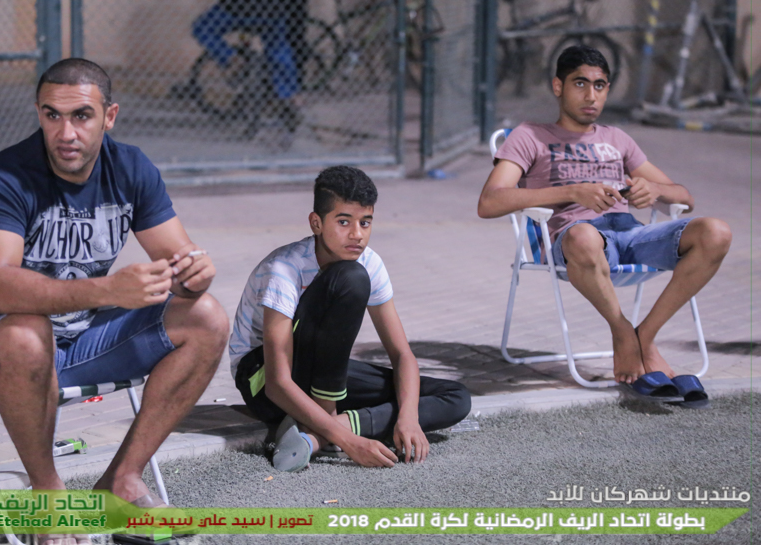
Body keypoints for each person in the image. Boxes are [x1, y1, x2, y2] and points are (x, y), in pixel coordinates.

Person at [0, 58, 229, 544]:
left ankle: (121, 482)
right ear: (39, 113)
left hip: (76, 345)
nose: (65, 132)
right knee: (28, 331)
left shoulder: (130, 167)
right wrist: (107, 290)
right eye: (52, 115)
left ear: (109, 116)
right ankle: (49, 498)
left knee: (206, 318)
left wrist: (195, 276)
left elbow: (180, 260)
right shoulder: (4, 177)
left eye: (81, 116)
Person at [477, 45, 731, 395]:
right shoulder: (531, 136)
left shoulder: (617, 139)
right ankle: (622, 332)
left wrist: (653, 189)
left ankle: (644, 337)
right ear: (558, 86)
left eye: (599, 85)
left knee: (716, 232)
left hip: (632, 236)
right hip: (577, 242)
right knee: (583, 236)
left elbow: (684, 198)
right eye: (580, 83)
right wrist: (572, 192)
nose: (591, 95)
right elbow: (490, 201)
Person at [229, 166, 471, 471]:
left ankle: (314, 436)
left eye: (365, 222)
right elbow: (277, 384)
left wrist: (409, 419)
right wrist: (350, 442)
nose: (357, 234)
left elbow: (402, 354)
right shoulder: (284, 269)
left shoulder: (370, 262)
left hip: (318, 379)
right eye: (343, 222)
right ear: (316, 223)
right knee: (350, 278)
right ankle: (330, 426)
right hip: (262, 380)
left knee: (454, 396)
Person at [192, 0, 321, 130]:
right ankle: (292, 95)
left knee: (201, 27)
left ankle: (231, 58)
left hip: (237, 8)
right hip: (272, 12)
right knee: (279, 49)